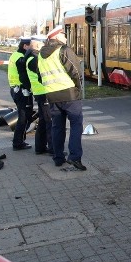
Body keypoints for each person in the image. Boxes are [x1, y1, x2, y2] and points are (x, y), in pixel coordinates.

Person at [38, 25, 86, 170]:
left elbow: (40, 76)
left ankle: (58, 157)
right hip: (69, 94)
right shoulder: (64, 50)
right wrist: (78, 88)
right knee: (76, 125)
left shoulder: (41, 54)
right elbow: (76, 71)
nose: (65, 37)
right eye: (64, 35)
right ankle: (75, 157)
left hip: (52, 95)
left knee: (57, 127)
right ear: (57, 37)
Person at [25, 35, 53, 156]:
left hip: (40, 92)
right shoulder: (35, 59)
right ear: (37, 45)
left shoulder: (31, 57)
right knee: (49, 121)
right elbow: (43, 74)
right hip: (43, 92)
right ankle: (53, 148)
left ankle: (40, 147)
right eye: (42, 44)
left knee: (42, 121)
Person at [8, 38, 33, 150]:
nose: (32, 48)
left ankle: (19, 140)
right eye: (30, 46)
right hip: (22, 91)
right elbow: (23, 76)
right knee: (23, 118)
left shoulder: (15, 55)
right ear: (25, 46)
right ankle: (18, 142)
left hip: (16, 89)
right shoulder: (20, 58)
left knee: (24, 116)